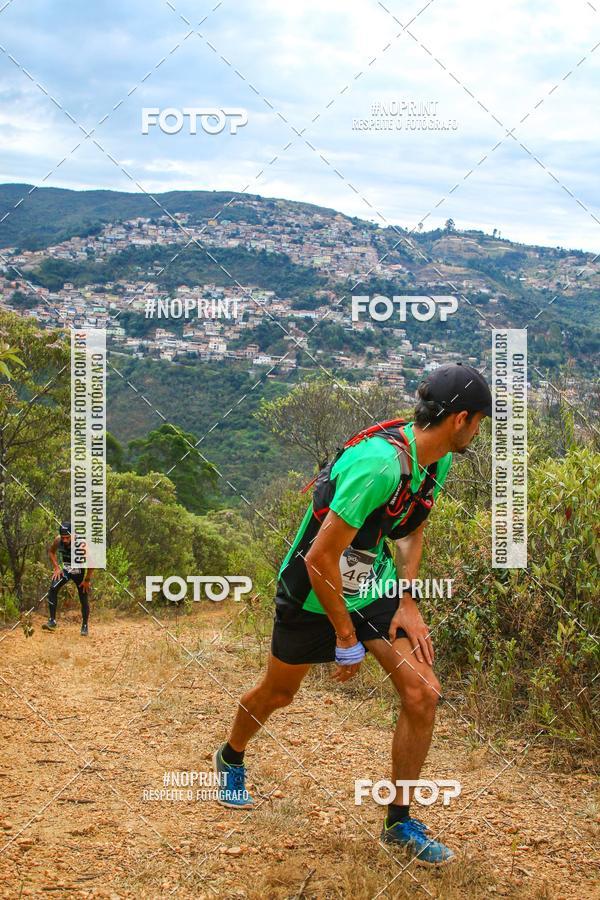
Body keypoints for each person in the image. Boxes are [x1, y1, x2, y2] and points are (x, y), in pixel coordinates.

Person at [214, 363, 492, 865]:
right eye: (479, 422)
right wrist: (345, 635)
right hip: (312, 593)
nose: (479, 430)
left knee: (422, 693)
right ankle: (231, 755)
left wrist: (407, 601)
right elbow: (319, 558)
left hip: (372, 586)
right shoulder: (379, 466)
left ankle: (399, 822)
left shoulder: (434, 461)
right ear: (460, 420)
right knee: (279, 692)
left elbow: (408, 529)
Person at [42, 522, 92, 636]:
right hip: (66, 570)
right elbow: (51, 552)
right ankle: (52, 621)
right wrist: (56, 567)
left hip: (79, 572)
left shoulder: (81, 544)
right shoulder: (58, 540)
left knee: (83, 596)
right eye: (63, 537)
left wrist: (87, 580)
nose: (65, 540)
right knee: (53, 588)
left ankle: (84, 626)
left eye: (67, 537)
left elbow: (91, 562)